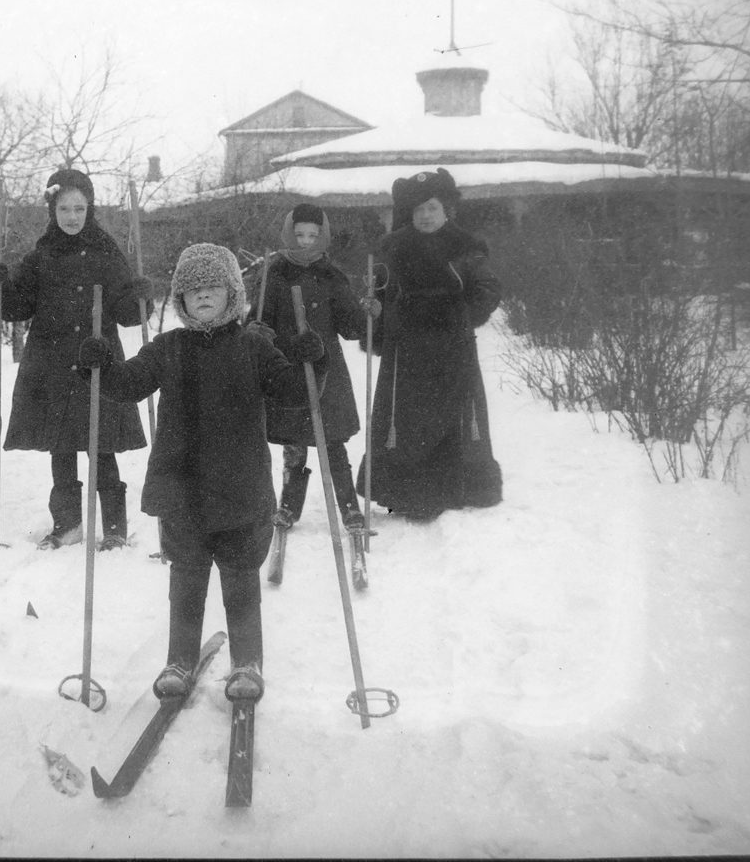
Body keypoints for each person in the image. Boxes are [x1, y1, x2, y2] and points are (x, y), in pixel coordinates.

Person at [77, 243, 326, 703]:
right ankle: (180, 659)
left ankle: (247, 662)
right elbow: (127, 384)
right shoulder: (167, 347)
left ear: (232, 293)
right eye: (194, 291)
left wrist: (314, 360)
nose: (204, 297)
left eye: (213, 287)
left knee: (239, 578)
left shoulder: (254, 344)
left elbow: (294, 392)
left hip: (240, 485)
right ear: (181, 301)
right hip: (181, 487)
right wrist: (100, 362)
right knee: (187, 579)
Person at [0, 168, 151, 551]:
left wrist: (140, 295)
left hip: (98, 362)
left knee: (102, 445)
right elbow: (17, 306)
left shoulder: (107, 253)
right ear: (52, 209)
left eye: (79, 208)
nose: (72, 216)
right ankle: (68, 523)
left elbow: (127, 313)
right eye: (64, 208)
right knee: (60, 447)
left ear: (89, 208)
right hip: (51, 363)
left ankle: (114, 527)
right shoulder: (42, 255)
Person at [357, 168, 503, 521]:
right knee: (406, 419)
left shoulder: (467, 247)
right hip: (405, 348)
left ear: (446, 210)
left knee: (452, 416)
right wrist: (375, 315)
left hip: (451, 348)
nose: (425, 216)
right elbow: (377, 293)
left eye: (432, 208)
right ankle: (405, 491)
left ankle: (453, 487)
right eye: (419, 209)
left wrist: (459, 316)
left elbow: (487, 290)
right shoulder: (392, 247)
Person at [248, 203, 380, 533]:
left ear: (323, 237)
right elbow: (257, 318)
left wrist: (366, 313)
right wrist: (257, 331)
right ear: (288, 234)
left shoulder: (331, 276)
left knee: (332, 441)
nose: (306, 242)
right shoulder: (273, 275)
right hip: (287, 368)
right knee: (295, 445)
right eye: (299, 235)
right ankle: (289, 507)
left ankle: (349, 507)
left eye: (312, 235)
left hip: (327, 371)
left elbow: (349, 326)